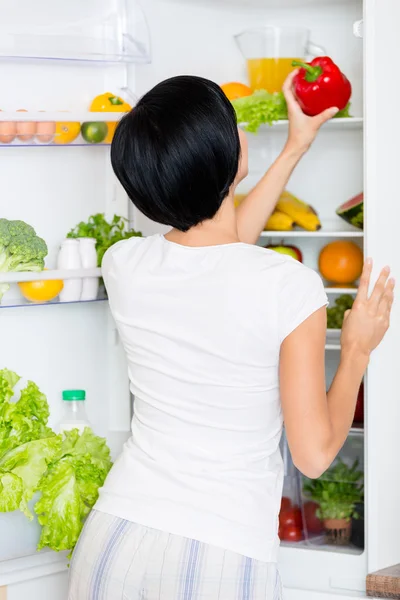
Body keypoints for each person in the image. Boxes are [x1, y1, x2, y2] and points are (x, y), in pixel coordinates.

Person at [68, 73, 394, 600]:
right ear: (225, 151)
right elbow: (313, 455)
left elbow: (219, 251)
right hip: (220, 552)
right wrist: (357, 347)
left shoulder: (124, 263)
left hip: (114, 540)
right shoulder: (288, 286)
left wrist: (295, 148)